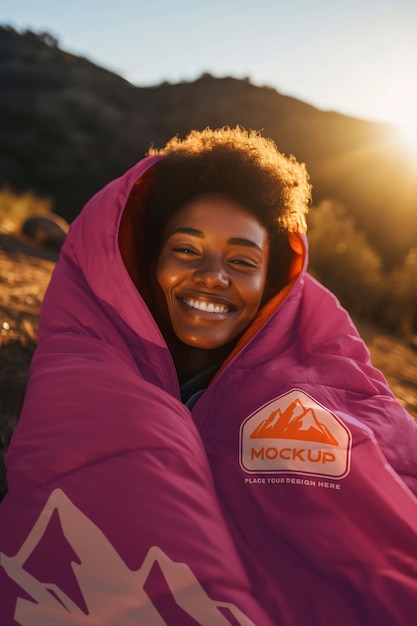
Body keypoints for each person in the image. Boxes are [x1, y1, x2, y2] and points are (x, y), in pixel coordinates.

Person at [1, 126, 417, 626]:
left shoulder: (322, 378)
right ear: (149, 259)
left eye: (242, 261)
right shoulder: (93, 361)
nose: (213, 275)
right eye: (187, 249)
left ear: (272, 282)